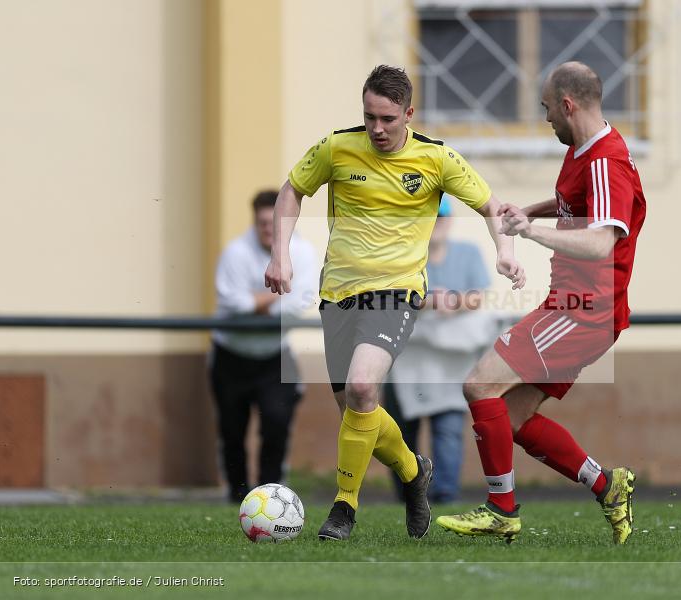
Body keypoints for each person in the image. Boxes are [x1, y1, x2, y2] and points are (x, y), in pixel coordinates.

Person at [264, 65, 525, 541]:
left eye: (387, 118)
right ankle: (411, 471)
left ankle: (344, 509)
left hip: (397, 293)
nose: (377, 129)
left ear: (408, 113)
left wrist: (506, 251)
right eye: (369, 118)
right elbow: (291, 191)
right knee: (355, 409)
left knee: (364, 389)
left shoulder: (437, 159)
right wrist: (280, 255)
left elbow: (490, 207)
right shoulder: (337, 147)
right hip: (338, 293)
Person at [436, 61, 647, 545]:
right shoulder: (585, 150)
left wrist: (529, 231)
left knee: (478, 385)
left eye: (547, 108)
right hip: (575, 307)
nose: (545, 117)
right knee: (508, 419)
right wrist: (530, 209)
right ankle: (606, 483)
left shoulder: (604, 161)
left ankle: (501, 511)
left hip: (582, 310)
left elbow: (600, 243)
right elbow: (580, 203)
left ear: (568, 105)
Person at [384, 196, 495, 504]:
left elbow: (478, 297)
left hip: (449, 360)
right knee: (400, 431)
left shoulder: (468, 254)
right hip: (406, 359)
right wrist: (431, 300)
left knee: (447, 428)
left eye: (441, 216)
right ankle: (409, 495)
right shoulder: (402, 256)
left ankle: (445, 494)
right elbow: (393, 296)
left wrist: (455, 301)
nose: (435, 223)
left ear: (450, 220)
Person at [210, 190, 317, 503]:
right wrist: (277, 296)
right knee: (232, 431)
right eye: (262, 223)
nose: (269, 229)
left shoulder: (303, 252)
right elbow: (233, 302)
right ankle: (237, 495)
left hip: (275, 357)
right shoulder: (235, 253)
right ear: (253, 221)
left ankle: (270, 496)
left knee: (276, 424)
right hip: (230, 355)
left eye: (275, 223)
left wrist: (256, 301)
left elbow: (299, 305)